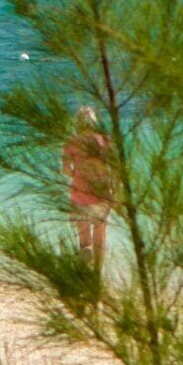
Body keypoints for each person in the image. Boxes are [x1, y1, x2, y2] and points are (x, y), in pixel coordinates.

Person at [63, 105, 115, 266]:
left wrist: (77, 175)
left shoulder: (71, 142)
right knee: (100, 234)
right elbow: (115, 168)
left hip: (78, 193)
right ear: (94, 122)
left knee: (84, 237)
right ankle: (97, 274)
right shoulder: (105, 140)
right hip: (101, 194)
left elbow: (65, 170)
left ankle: (86, 255)